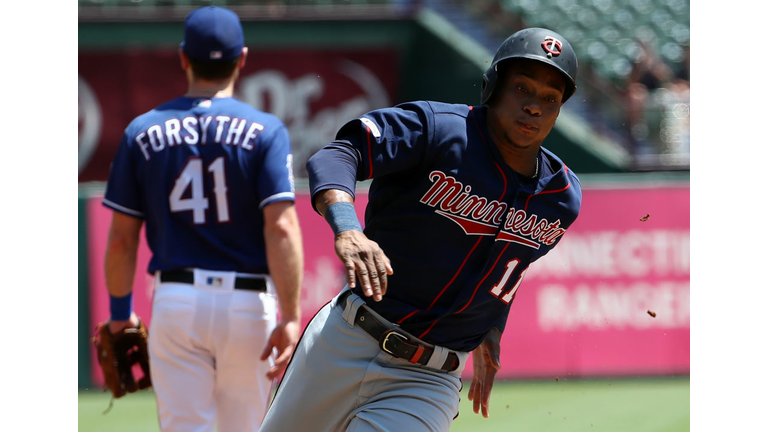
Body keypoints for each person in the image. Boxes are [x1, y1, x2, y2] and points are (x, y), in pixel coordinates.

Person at [260, 27, 582, 431]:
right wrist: (347, 227)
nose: (534, 106)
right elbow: (340, 154)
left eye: (550, 98)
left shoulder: (560, 197)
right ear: (493, 87)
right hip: (342, 342)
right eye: (522, 88)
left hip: (426, 378)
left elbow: (510, 263)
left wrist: (490, 325)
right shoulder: (437, 129)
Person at [101, 6, 303, 431]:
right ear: (242, 59)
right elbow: (281, 226)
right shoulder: (266, 130)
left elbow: (121, 239)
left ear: (183, 57)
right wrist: (290, 315)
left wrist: (120, 313)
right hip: (248, 304)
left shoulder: (142, 131)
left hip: (178, 301)